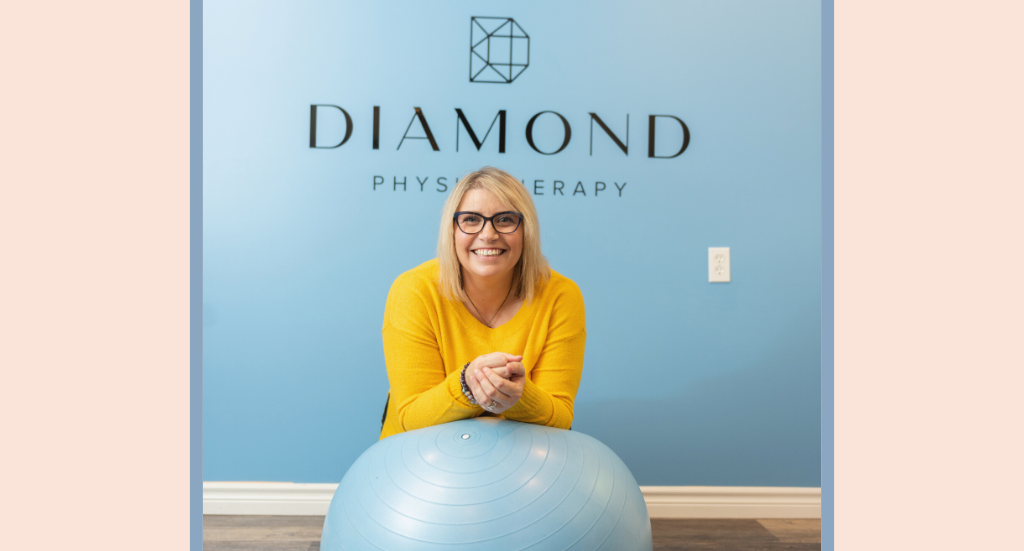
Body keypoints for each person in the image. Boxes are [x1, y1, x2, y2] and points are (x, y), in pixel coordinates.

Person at [379, 167, 586, 439]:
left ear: (526, 231)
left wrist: (520, 397)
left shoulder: (561, 295)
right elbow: (412, 418)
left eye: (504, 219)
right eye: (471, 220)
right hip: (419, 464)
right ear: (452, 230)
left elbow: (560, 418)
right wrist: (467, 383)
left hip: (525, 462)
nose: (488, 234)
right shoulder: (413, 290)